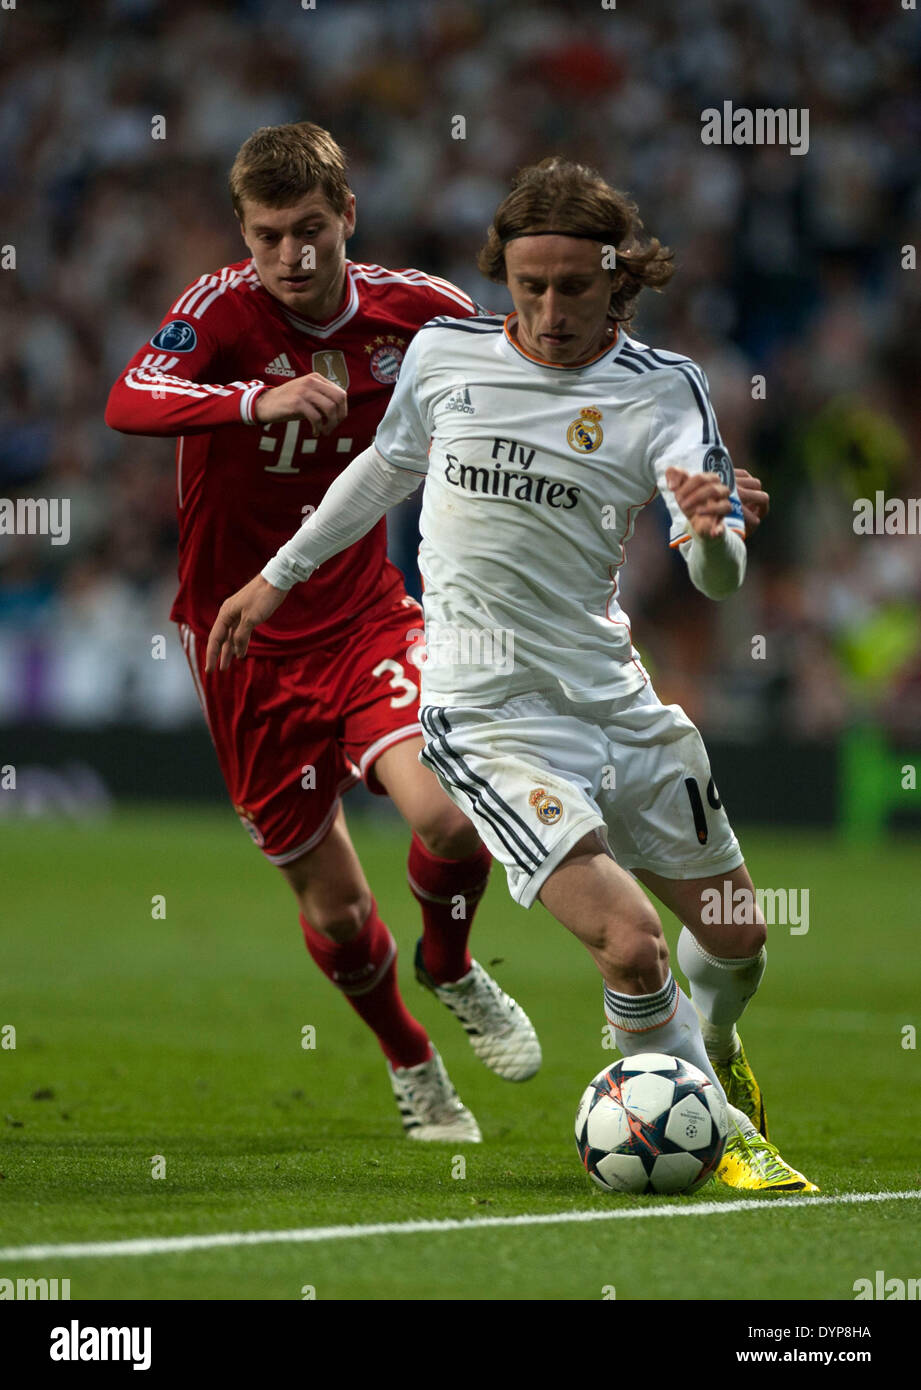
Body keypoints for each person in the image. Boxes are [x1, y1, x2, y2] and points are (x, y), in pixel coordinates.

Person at [206, 156, 816, 1192]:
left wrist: (711, 534)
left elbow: (716, 572)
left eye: (572, 286)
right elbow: (382, 467)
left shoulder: (665, 392)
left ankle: (710, 1049)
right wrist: (276, 578)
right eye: (528, 285)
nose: (547, 309)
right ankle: (714, 1134)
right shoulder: (447, 357)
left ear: (616, 280)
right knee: (629, 945)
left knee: (739, 937)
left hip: (614, 699)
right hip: (486, 714)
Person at [105, 121, 545, 1146]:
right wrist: (255, 398)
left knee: (447, 817)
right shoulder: (218, 310)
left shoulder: (421, 312)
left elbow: (520, 382)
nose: (292, 257)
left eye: (311, 229)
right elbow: (131, 399)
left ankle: (449, 961)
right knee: (339, 907)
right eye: (267, 236)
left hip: (361, 617)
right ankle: (412, 1059)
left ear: (349, 215)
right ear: (243, 235)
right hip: (240, 646)